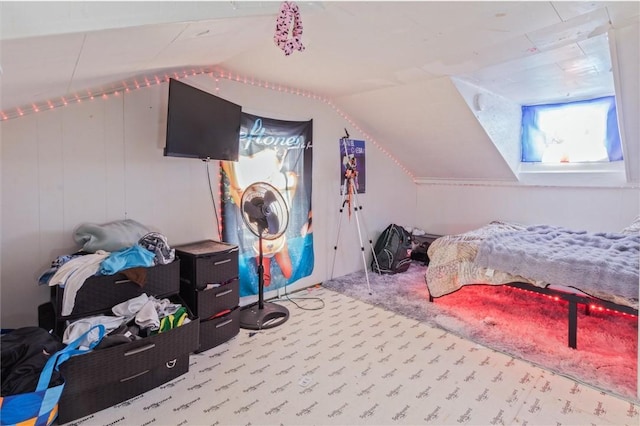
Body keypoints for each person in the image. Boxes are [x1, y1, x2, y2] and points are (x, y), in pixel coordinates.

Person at [222, 148, 296, 287]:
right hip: (275, 240)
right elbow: (292, 179)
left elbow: (235, 189)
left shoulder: (249, 198)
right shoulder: (280, 194)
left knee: (266, 280)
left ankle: (266, 294)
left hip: (261, 244)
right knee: (286, 273)